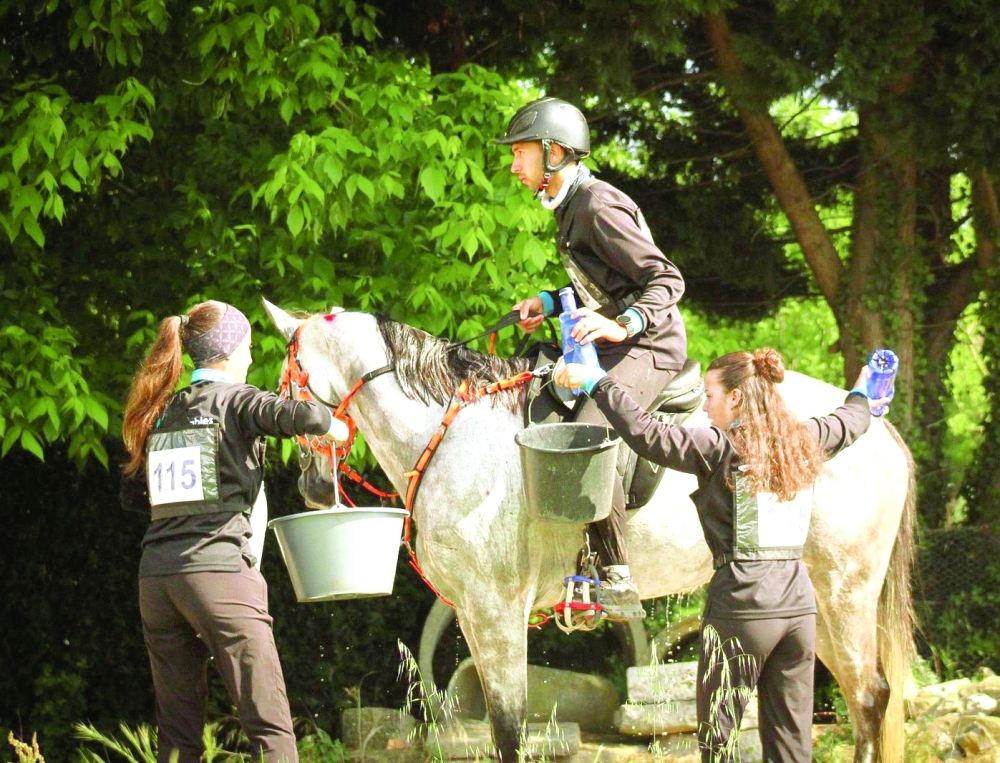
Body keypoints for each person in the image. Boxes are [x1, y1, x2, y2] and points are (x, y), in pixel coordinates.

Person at [555, 348, 883, 763]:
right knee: (791, 747)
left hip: (741, 607)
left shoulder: (718, 446)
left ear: (736, 398)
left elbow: (646, 433)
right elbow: (851, 422)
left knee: (719, 744)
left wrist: (597, 383)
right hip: (798, 611)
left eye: (709, 395)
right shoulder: (804, 439)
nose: (705, 407)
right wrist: (863, 394)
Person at [119, 300, 348, 763]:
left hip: (157, 584)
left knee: (178, 737)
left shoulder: (162, 412)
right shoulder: (237, 400)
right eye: (246, 347)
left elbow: (133, 497)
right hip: (219, 575)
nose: (249, 357)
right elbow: (298, 416)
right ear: (232, 350)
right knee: (270, 729)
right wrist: (335, 426)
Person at [496, 96, 688, 620]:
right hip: (616, 340)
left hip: (651, 345)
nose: (514, 165)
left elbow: (666, 280)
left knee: (587, 430)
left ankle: (614, 574)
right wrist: (552, 299)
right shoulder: (569, 207)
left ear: (554, 153)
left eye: (521, 153)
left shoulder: (598, 206)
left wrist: (620, 324)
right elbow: (607, 281)